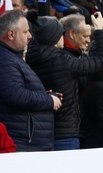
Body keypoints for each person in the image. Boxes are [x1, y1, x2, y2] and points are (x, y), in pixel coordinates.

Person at [27, 13, 103, 151]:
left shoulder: (31, 58)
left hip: (43, 130)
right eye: (60, 34)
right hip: (66, 133)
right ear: (54, 38)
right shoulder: (63, 62)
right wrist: (99, 30)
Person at [0, 10, 62, 152]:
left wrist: (44, 95)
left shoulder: (11, 58)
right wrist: (48, 100)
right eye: (25, 32)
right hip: (22, 144)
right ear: (11, 34)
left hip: (28, 142)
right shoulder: (5, 60)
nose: (30, 36)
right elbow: (15, 95)